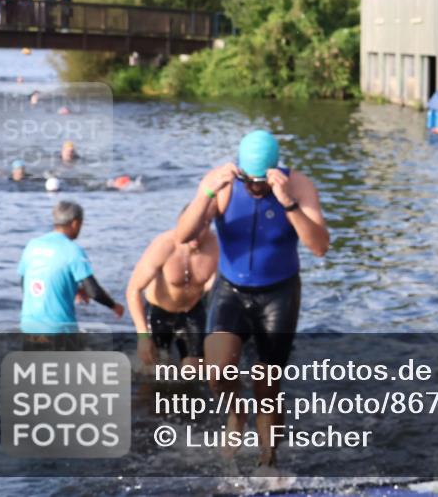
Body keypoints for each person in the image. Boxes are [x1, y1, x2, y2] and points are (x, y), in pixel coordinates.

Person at [176, 129, 329, 470]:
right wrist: (205, 194)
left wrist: (288, 201)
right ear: (240, 169)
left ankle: (268, 462)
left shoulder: (298, 186)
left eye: (261, 182)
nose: (254, 187)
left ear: (275, 170)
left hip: (279, 294)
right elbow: (183, 236)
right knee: (216, 370)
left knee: (267, 385)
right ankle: (235, 413)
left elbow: (320, 246)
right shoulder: (224, 184)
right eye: (249, 179)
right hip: (231, 290)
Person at [127, 207, 218, 368]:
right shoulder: (164, 246)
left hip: (193, 311)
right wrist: (143, 337)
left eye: (202, 227)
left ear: (209, 225)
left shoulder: (215, 247)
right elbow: (133, 290)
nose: (195, 233)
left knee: (195, 369)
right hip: (159, 313)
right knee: (154, 370)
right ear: (180, 224)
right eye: (191, 227)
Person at [19, 201, 124, 334]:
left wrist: (74, 289)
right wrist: (114, 306)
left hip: (29, 327)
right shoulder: (72, 250)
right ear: (75, 223)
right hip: (59, 330)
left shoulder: (32, 245)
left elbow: (25, 284)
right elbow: (94, 292)